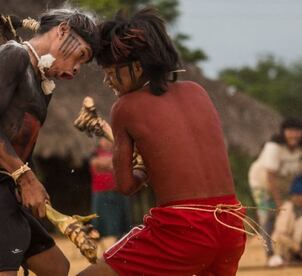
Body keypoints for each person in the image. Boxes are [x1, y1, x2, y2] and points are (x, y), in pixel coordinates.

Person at [79, 8, 246, 276]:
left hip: (183, 228)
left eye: (111, 71)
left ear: (137, 66)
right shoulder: (198, 91)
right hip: (232, 223)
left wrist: (143, 169)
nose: (107, 80)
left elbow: (124, 186)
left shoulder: (125, 106)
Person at [0, 8, 98, 276]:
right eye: (81, 55)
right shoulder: (14, 54)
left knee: (57, 268)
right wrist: (27, 179)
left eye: (83, 64)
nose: (77, 67)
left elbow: (21, 145)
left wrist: (28, 185)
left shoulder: (43, 84)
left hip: (8, 186)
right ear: (63, 30)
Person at [249, 118, 302, 265]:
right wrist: (278, 202)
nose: (294, 135)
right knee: (268, 215)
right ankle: (271, 254)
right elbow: (270, 177)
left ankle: (291, 253)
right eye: (290, 131)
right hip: (263, 184)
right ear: (283, 132)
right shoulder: (274, 147)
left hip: (285, 186)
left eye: (297, 131)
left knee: (291, 216)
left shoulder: (299, 149)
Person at [89, 138, 131, 249]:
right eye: (103, 139)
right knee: (99, 224)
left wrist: (108, 163)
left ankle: (120, 246)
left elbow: (120, 165)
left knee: (121, 224)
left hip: (118, 192)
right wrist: (111, 163)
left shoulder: (119, 152)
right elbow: (96, 164)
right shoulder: (95, 152)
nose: (106, 142)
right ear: (100, 141)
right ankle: (96, 248)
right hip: (101, 193)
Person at [269, 175, 302, 267]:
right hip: (284, 247)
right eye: (298, 195)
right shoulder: (287, 208)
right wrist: (297, 249)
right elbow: (281, 234)